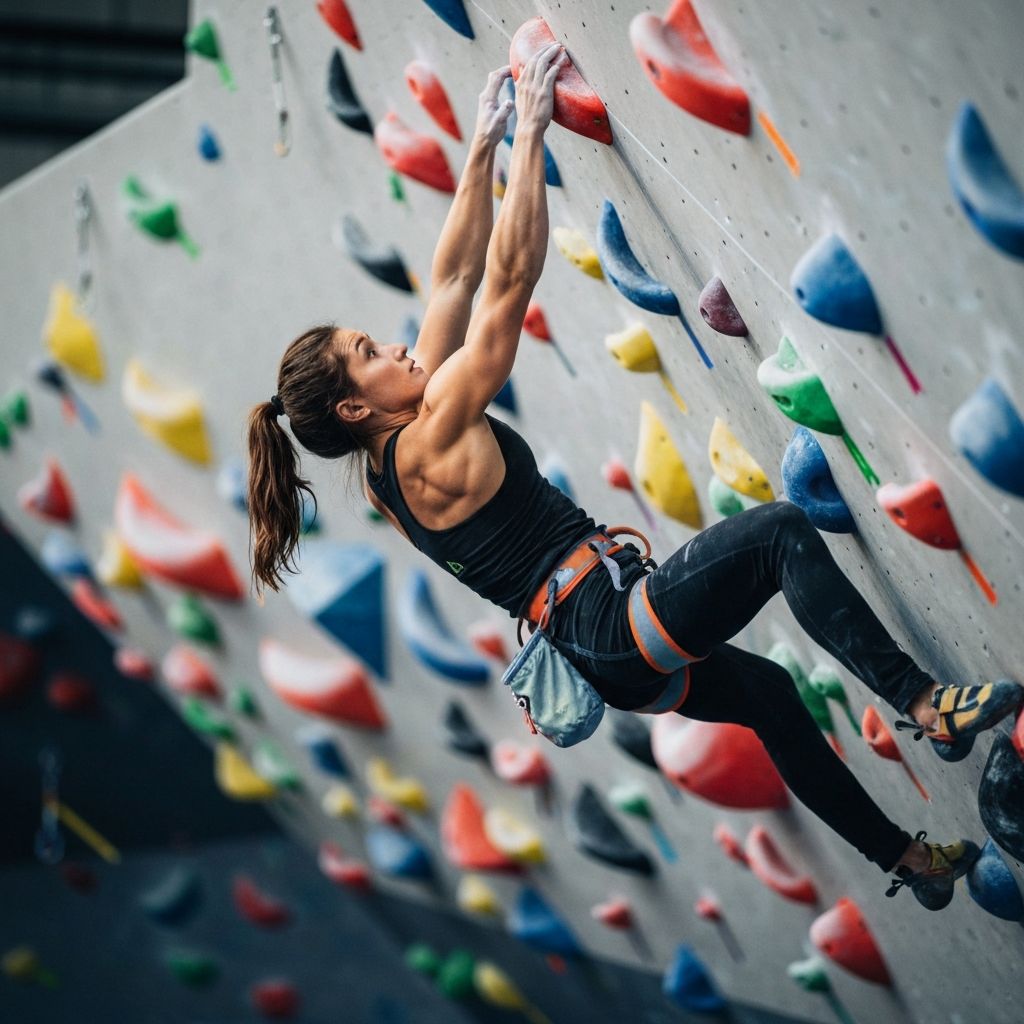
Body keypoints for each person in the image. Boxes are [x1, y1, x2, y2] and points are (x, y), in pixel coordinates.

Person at [246, 45, 1022, 910]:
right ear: (356, 408)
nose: (392, 347)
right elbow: (504, 285)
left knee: (768, 695)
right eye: (369, 354)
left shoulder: (395, 459)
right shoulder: (427, 439)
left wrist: (480, 147)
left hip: (605, 646)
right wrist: (533, 136)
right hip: (610, 622)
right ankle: (922, 703)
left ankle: (906, 862)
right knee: (777, 535)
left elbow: (454, 275)